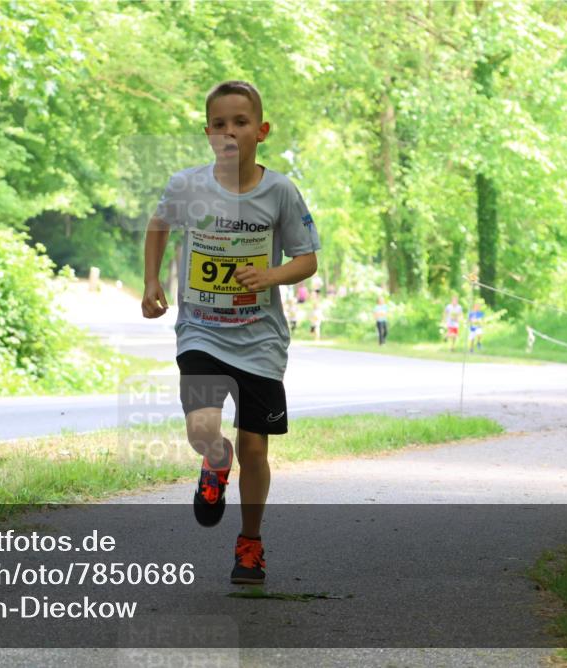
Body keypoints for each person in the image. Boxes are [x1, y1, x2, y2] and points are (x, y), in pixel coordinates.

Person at [141, 80, 320, 585]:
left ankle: (250, 543)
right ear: (207, 133)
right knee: (202, 430)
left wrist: (270, 275)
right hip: (200, 331)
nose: (230, 131)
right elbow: (159, 226)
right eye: (219, 123)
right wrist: (153, 280)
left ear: (261, 131)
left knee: (256, 449)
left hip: (260, 340)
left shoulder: (280, 191)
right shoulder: (187, 185)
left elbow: (305, 259)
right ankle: (214, 462)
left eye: (241, 122)